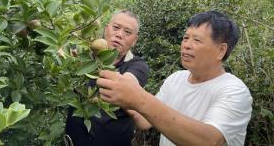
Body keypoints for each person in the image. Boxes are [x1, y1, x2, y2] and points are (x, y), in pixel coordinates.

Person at [97, 11, 253, 146]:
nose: (186, 45)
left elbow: (208, 140)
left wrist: (137, 98)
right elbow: (145, 122)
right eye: (185, 38)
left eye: (197, 40)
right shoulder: (176, 79)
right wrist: (125, 98)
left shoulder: (234, 91)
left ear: (221, 50)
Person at [65, 10, 150, 146]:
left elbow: (126, 85)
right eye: (116, 28)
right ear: (106, 29)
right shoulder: (83, 55)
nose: (119, 34)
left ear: (135, 40)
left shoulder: (137, 65)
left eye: (127, 32)